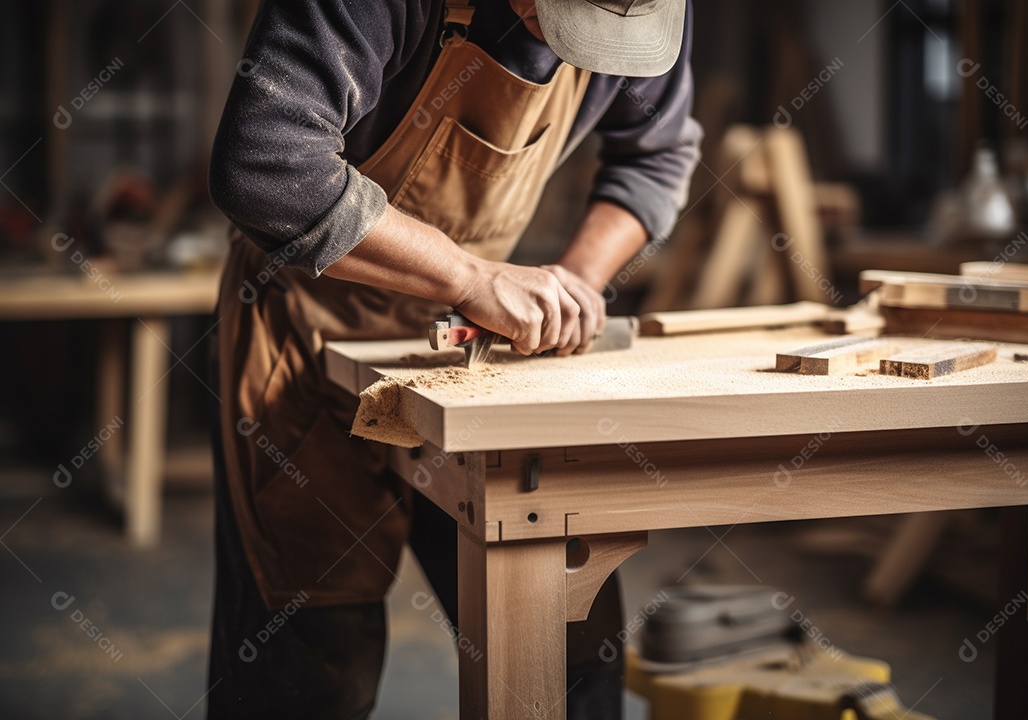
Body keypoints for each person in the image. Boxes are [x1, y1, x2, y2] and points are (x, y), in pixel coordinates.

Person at [206, 0, 701, 717]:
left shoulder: (654, 11)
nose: (589, 52)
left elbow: (658, 154)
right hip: (307, 328)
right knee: (311, 662)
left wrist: (574, 286)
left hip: (478, 353)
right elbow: (265, 160)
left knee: (567, 646)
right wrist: (470, 278)